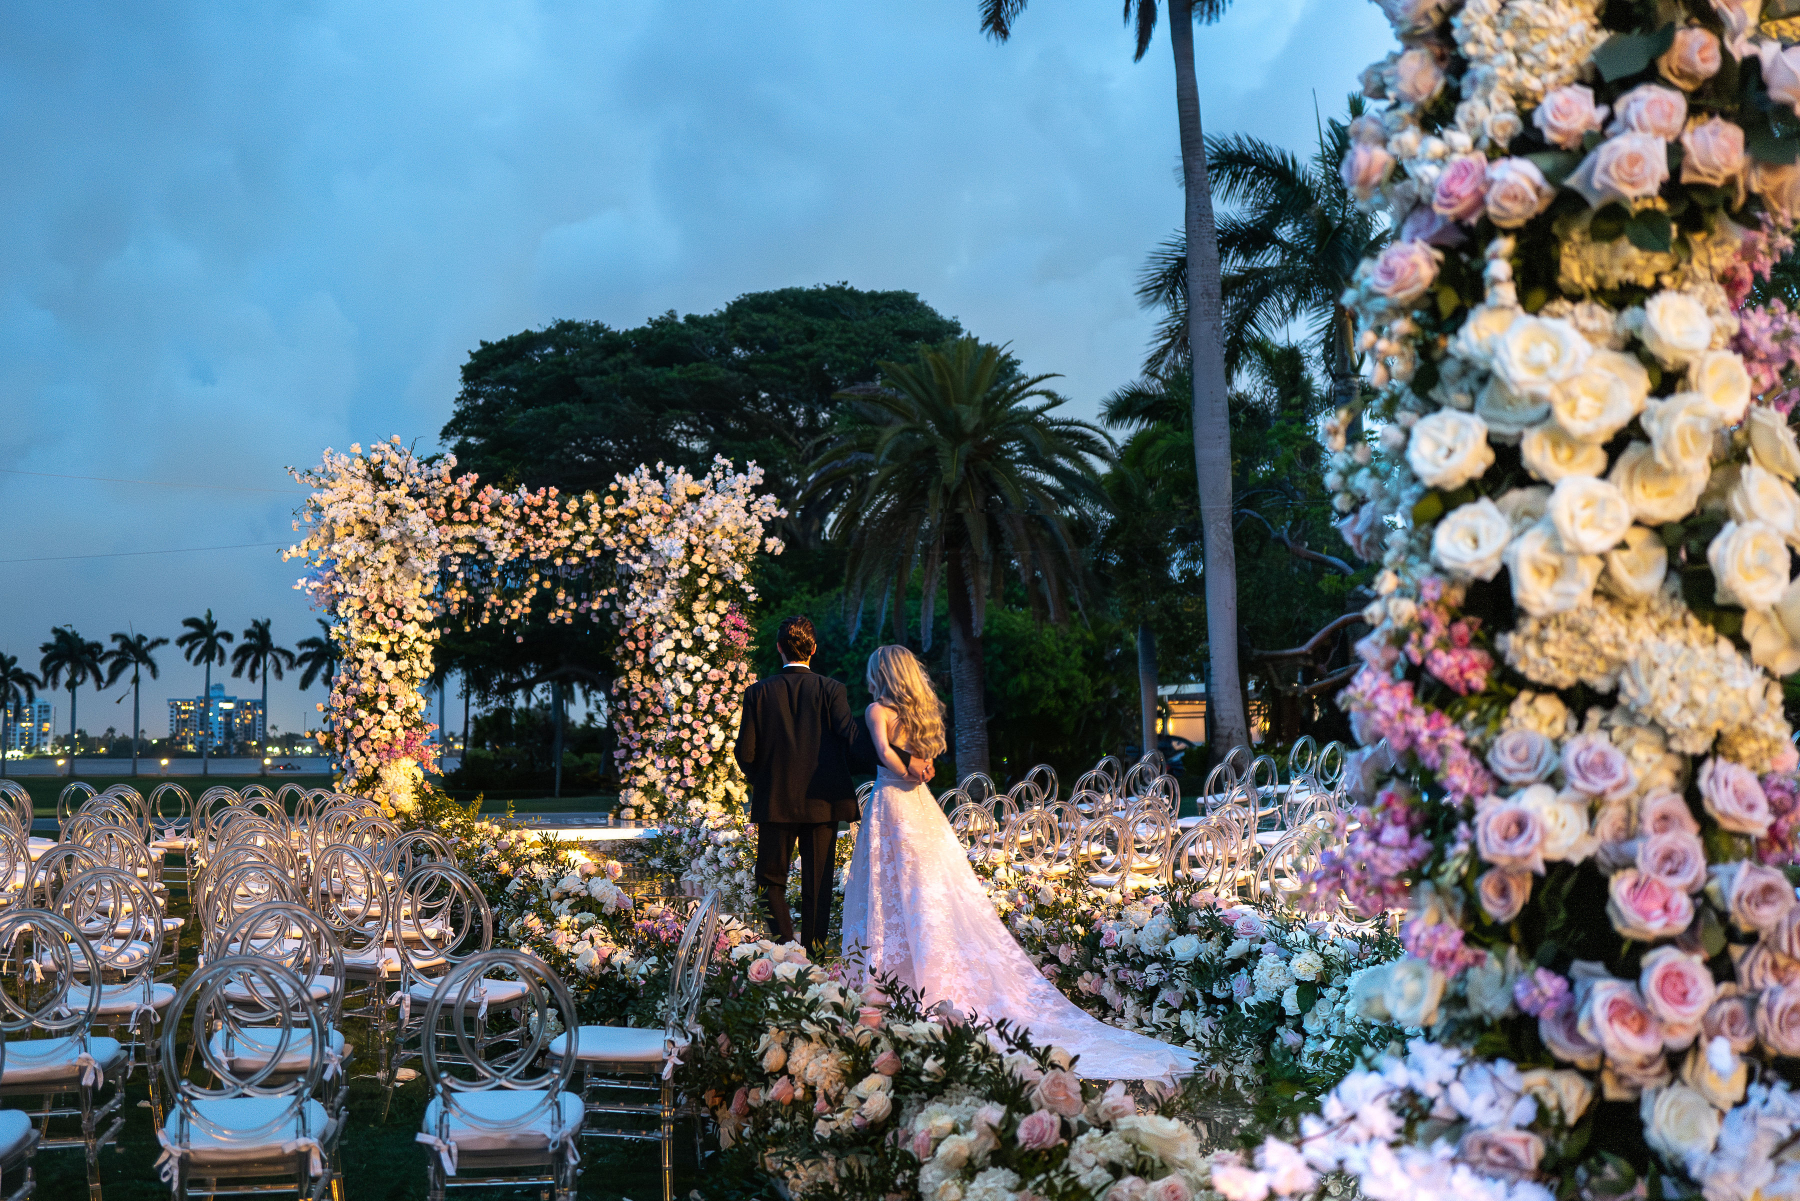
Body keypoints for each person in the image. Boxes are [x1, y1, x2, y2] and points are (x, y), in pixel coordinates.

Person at [841, 645, 1196, 1081]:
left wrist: (908, 768)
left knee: (891, 894)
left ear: (880, 674)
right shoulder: (919, 713)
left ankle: (892, 989)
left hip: (895, 801)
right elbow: (929, 756)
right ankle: (912, 980)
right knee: (927, 894)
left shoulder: (879, 709)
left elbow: (881, 751)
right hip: (919, 808)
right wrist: (922, 766)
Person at [733, 617, 928, 952]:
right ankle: (814, 955)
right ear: (814, 650)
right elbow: (853, 740)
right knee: (818, 885)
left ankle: (783, 952)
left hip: (775, 802)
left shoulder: (757, 693)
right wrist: (907, 759)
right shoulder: (832, 689)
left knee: (769, 882)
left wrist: (768, 779)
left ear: (779, 648)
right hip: (823, 804)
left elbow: (745, 753)